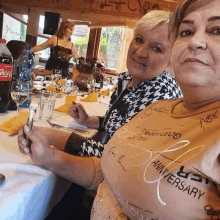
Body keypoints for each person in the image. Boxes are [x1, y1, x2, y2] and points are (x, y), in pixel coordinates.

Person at [18, 0, 220, 219]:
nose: (196, 41)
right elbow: (112, 165)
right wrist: (49, 157)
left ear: (169, 59)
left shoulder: (160, 96)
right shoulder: (160, 110)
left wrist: (55, 138)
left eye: (217, 30)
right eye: (187, 31)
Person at [67, 10, 182, 158]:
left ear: (171, 61)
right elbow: (118, 126)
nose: (141, 53)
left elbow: (121, 157)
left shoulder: (161, 94)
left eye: (156, 48)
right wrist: (87, 120)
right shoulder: (128, 79)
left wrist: (62, 139)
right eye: (139, 40)